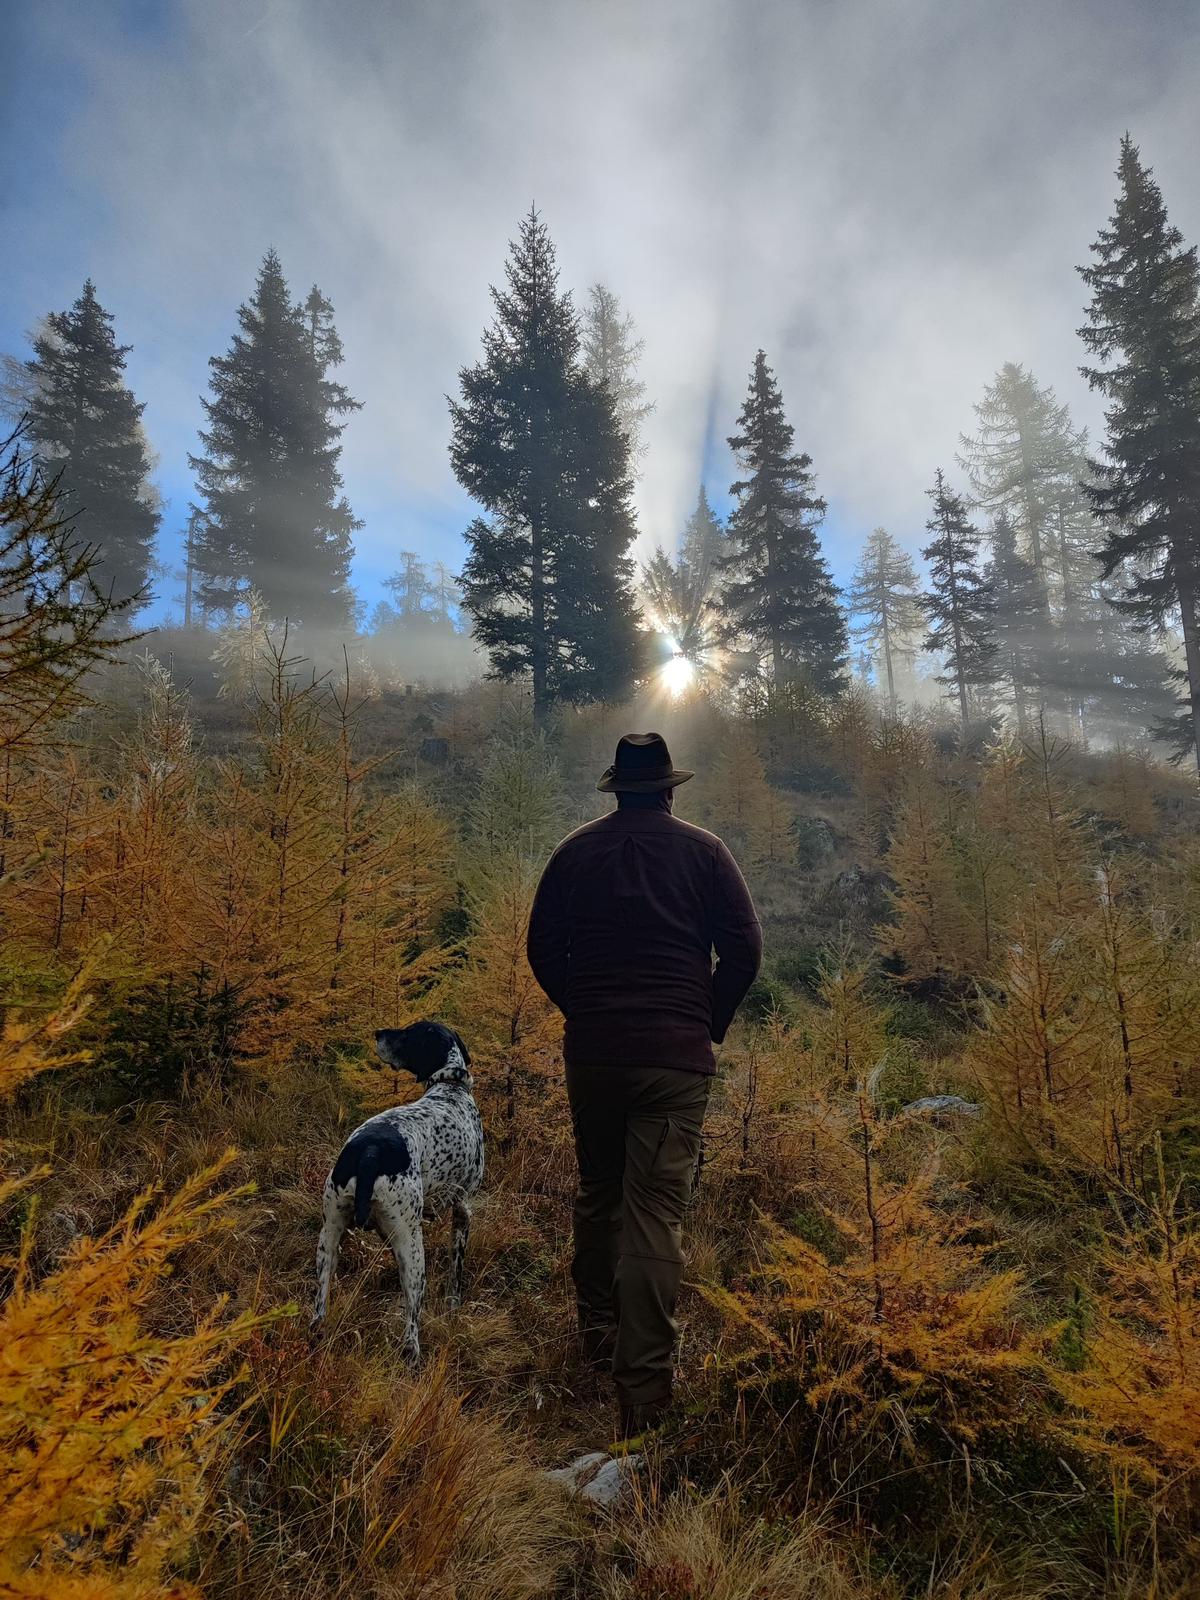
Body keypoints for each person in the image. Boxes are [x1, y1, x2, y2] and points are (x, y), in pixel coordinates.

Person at [527, 731, 762, 1438]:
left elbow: (542, 948)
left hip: (594, 1057)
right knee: (654, 1217)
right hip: (674, 1060)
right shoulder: (705, 851)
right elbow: (745, 950)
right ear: (668, 789)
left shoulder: (575, 852)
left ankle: (598, 1338)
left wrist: (585, 1009)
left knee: (600, 1195)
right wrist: (707, 1021)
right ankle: (644, 1401)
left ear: (616, 787)